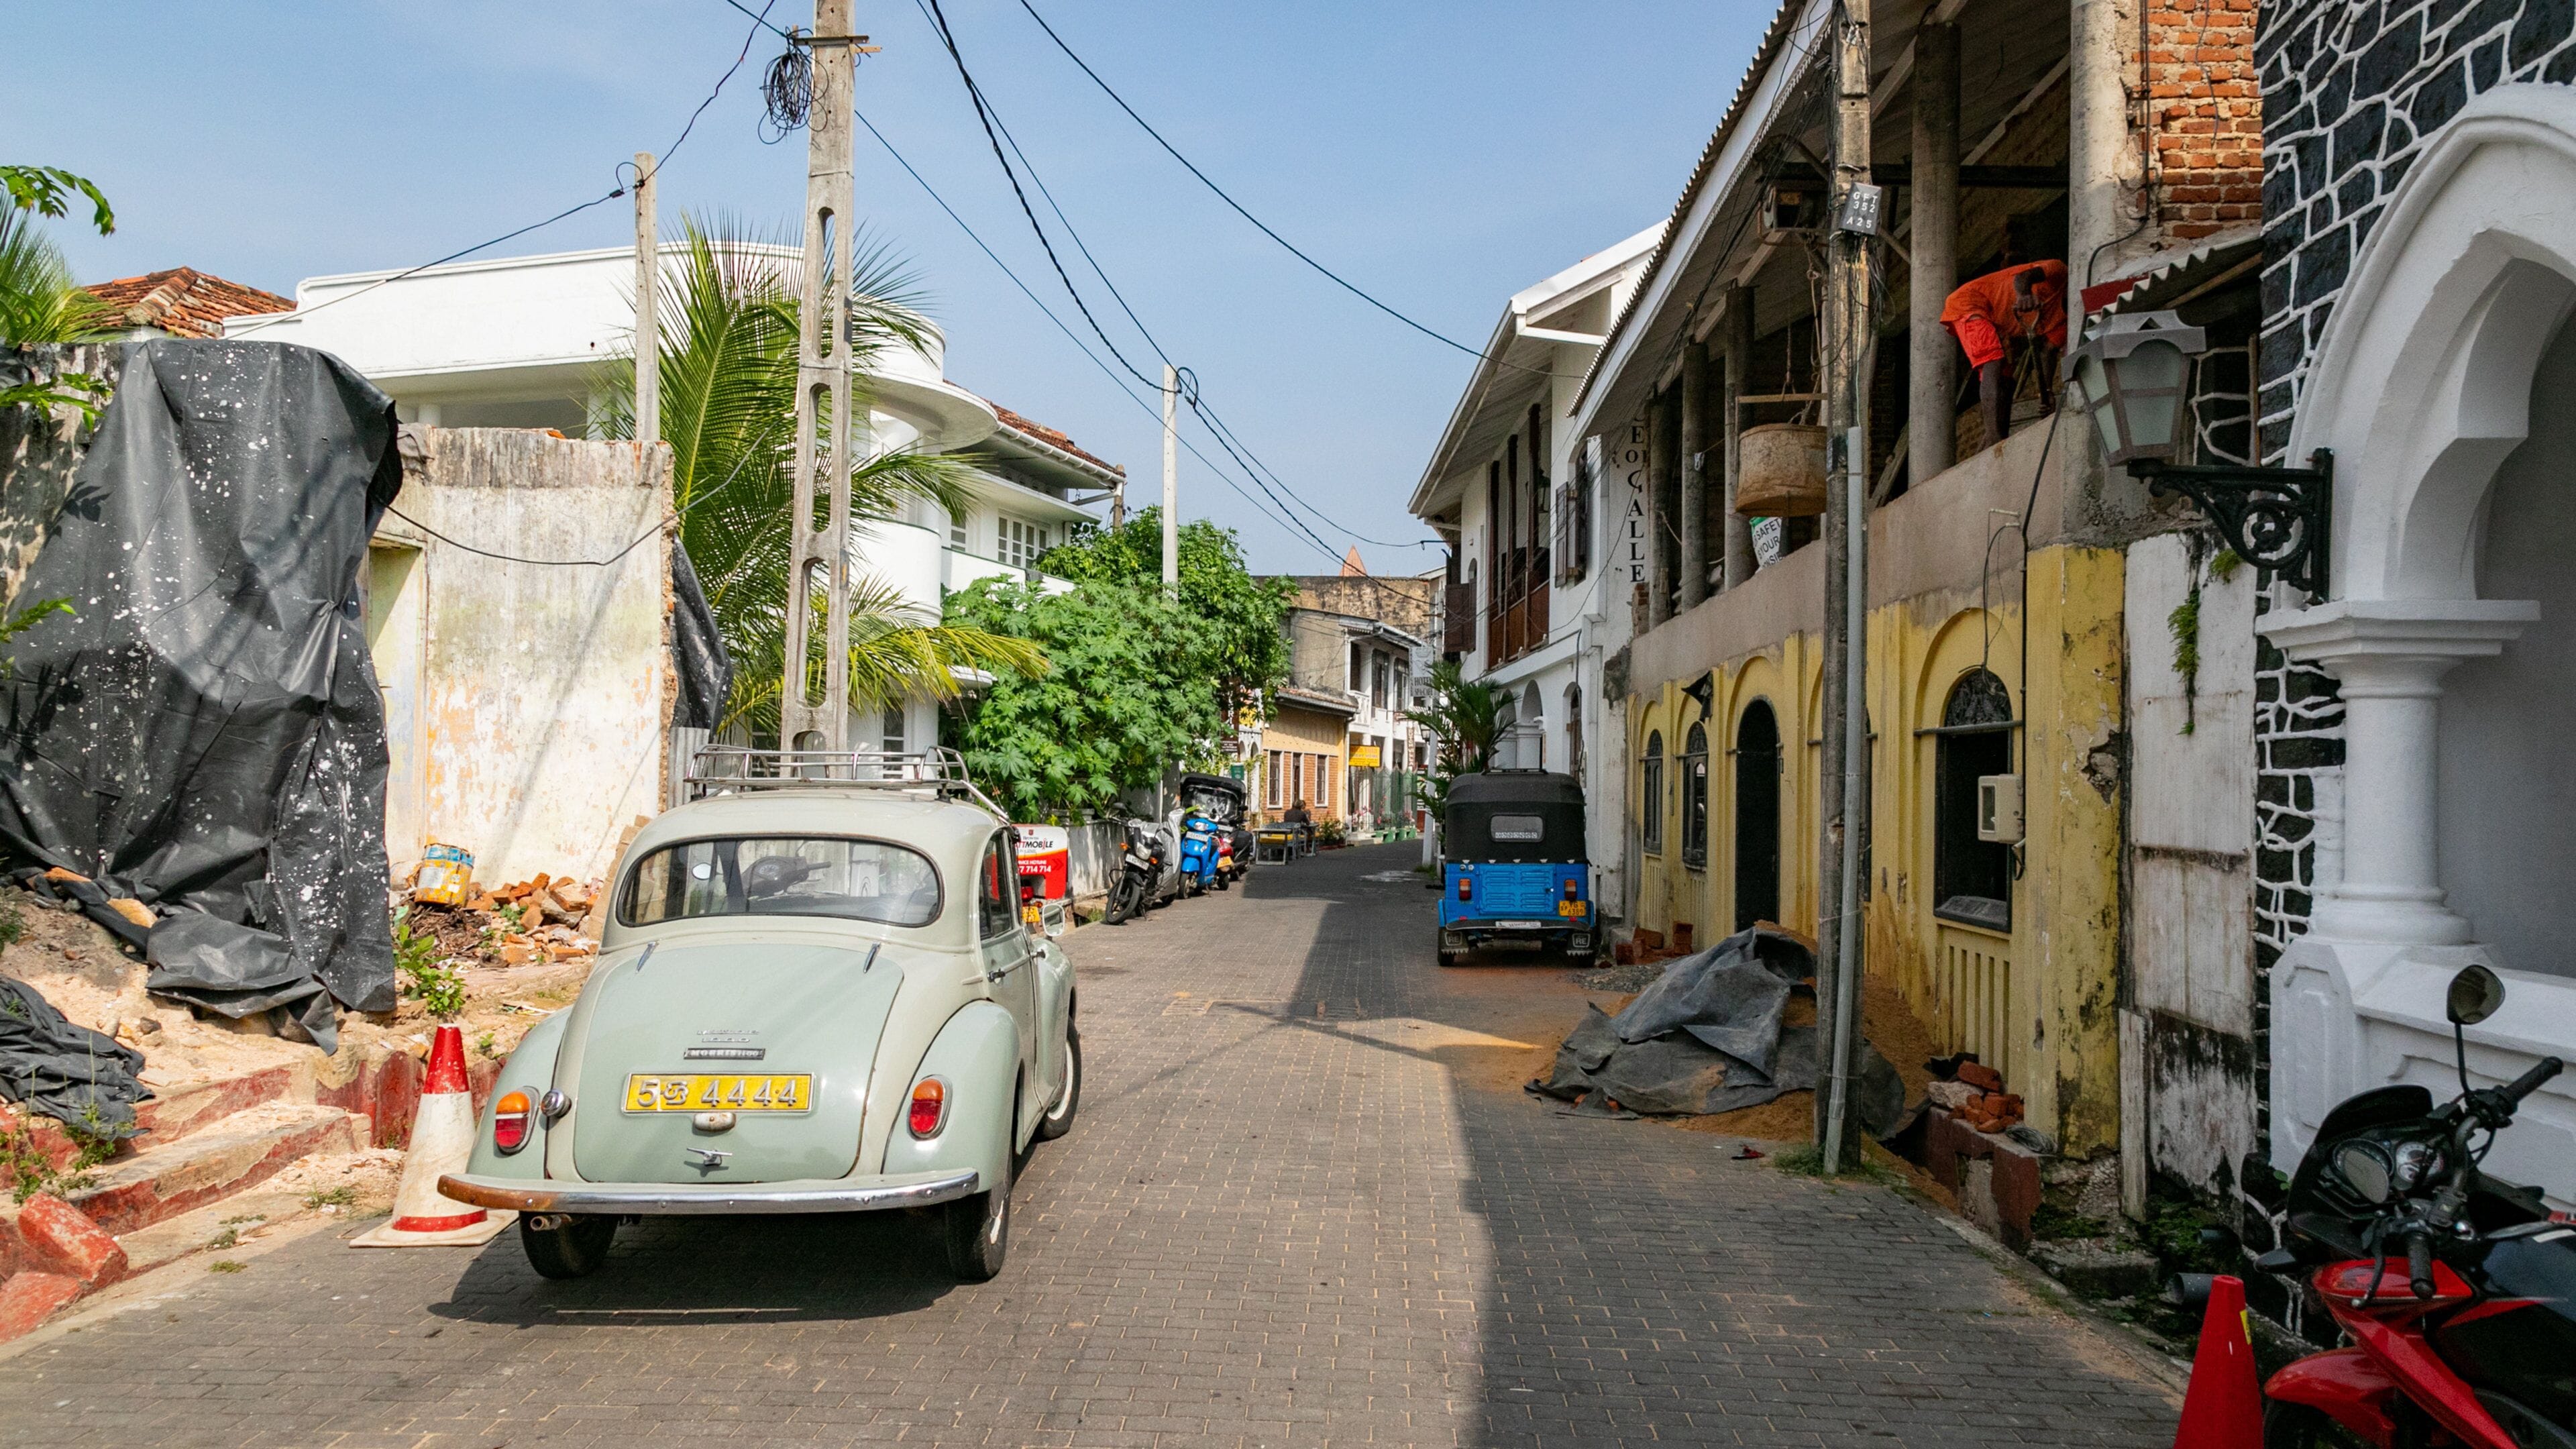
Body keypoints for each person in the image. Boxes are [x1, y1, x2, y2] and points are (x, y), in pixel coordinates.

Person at [1939, 258, 2068, 448]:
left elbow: (2047, 353)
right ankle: (1992, 434)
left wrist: (2047, 391)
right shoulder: (2059, 272)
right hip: (1969, 303)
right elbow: (2022, 278)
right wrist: (2024, 294)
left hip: (1994, 319)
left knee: (2007, 380)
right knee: (1993, 362)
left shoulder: (2064, 322)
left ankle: (2001, 439)